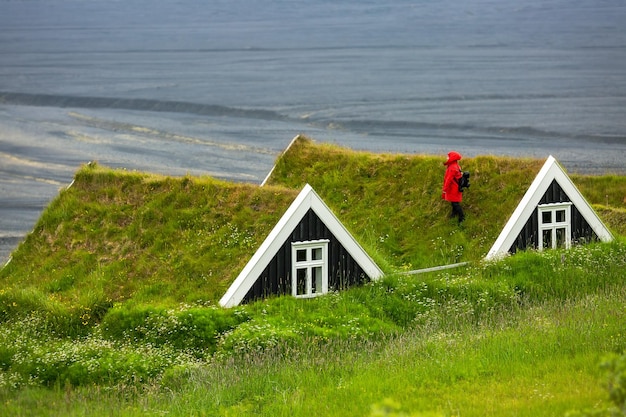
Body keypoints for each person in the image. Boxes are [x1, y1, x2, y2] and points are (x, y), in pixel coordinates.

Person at [442, 151, 465, 223]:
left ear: (452, 158)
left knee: (455, 203)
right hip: (456, 187)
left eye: (448, 156)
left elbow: (449, 179)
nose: (447, 158)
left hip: (453, 188)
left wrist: (444, 189)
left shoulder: (452, 167)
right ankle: (453, 215)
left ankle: (462, 217)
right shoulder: (456, 165)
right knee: (454, 202)